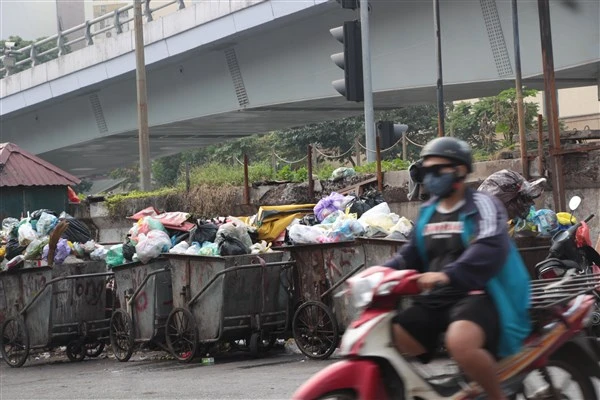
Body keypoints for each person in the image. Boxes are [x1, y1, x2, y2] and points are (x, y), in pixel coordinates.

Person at [383, 137, 531, 400]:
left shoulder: (484, 204)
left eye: (437, 170)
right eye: (426, 171)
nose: (431, 177)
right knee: (394, 332)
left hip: (483, 291)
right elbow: (411, 253)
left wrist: (446, 274)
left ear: (460, 170)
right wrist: (382, 273)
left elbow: (488, 246)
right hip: (443, 294)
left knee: (460, 341)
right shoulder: (429, 210)